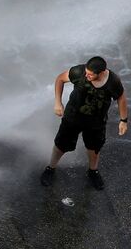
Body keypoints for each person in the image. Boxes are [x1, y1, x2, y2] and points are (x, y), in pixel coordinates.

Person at [40, 56, 127, 190]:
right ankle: (50, 168)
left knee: (94, 147)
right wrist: (58, 102)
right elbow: (60, 79)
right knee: (61, 144)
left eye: (90, 74)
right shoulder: (79, 72)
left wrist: (123, 120)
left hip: (96, 122)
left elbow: (121, 97)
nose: (86, 76)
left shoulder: (113, 81)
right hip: (72, 117)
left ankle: (93, 171)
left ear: (102, 72)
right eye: (86, 72)